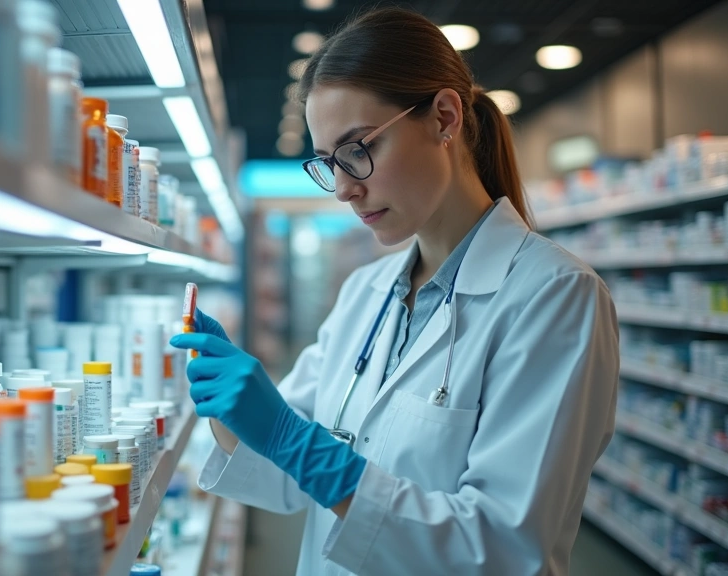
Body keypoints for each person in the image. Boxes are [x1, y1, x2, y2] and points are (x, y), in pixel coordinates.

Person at [168, 7, 619, 575]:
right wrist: (234, 410)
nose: (343, 189)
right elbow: (288, 479)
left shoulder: (555, 298)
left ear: (444, 118)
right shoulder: (367, 291)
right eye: (329, 163)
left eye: (358, 150)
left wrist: (292, 441)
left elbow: (503, 550)